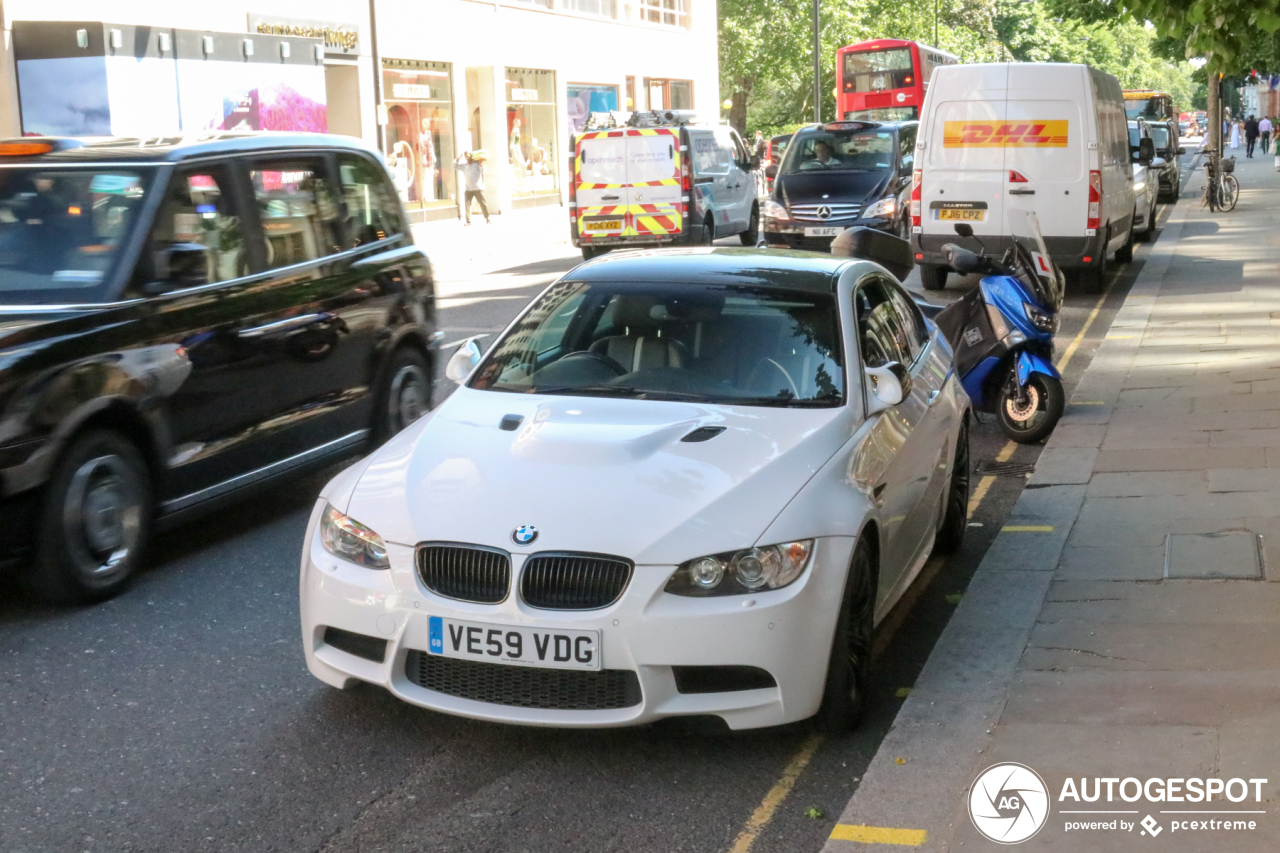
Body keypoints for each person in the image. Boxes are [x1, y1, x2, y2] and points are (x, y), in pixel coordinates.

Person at [454, 150, 490, 225]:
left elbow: (483, 171)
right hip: (468, 189)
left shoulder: (476, 164)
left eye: (468, 156)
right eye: (465, 156)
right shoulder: (464, 166)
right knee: (467, 205)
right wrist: (458, 158)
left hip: (478, 188)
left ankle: (487, 218)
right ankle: (468, 221)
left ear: (472, 156)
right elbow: (454, 166)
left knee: (482, 203)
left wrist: (480, 163)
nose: (467, 158)